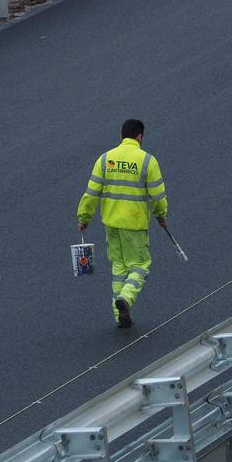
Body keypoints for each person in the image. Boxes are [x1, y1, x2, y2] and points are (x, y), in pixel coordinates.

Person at [77, 119, 168, 328]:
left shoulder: (105, 159)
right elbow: (157, 196)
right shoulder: (147, 161)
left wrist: (84, 218)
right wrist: (161, 216)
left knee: (119, 267)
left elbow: (91, 193)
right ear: (140, 137)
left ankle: (120, 316)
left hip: (111, 223)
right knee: (140, 265)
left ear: (121, 136)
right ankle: (126, 298)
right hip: (134, 224)